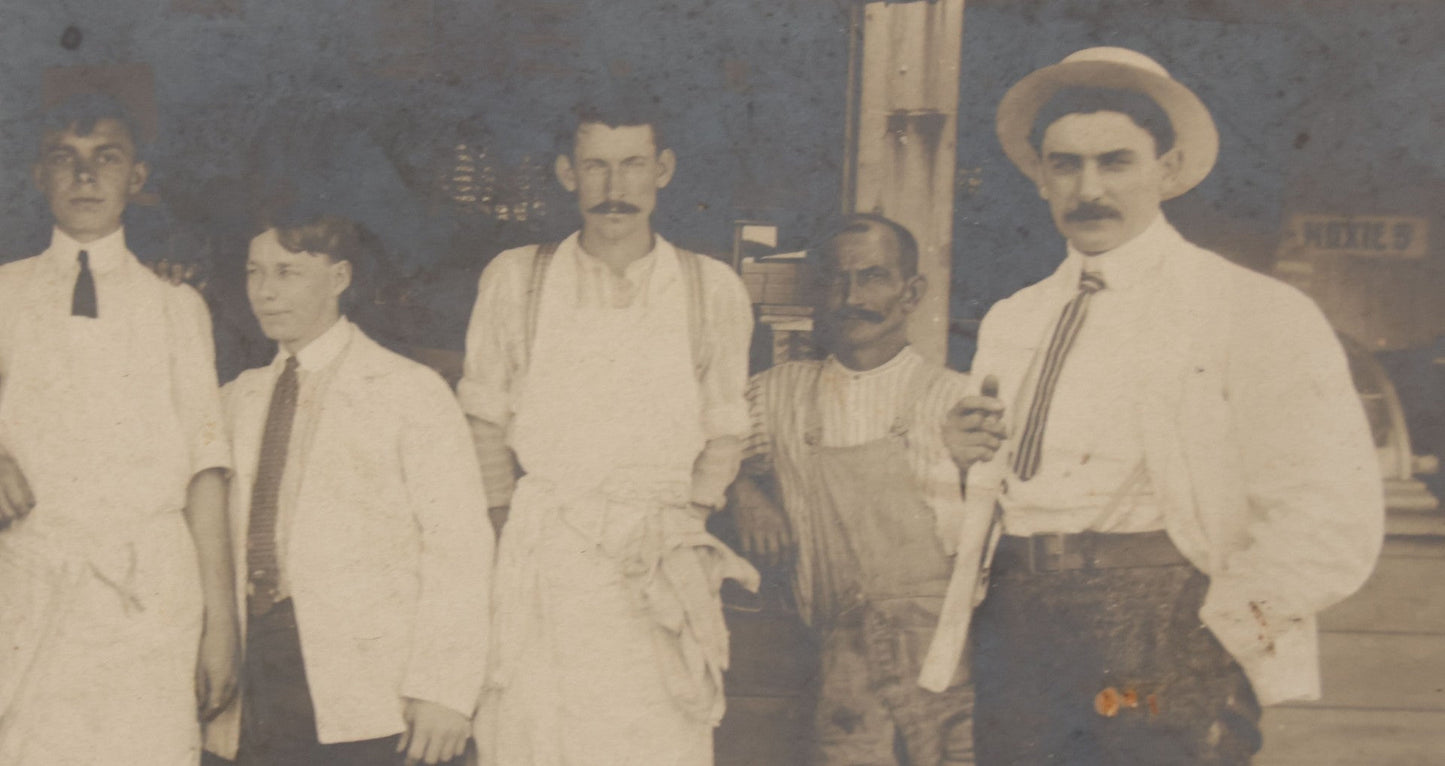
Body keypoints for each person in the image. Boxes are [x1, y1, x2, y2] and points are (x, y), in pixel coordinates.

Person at [919, 47, 1384, 764]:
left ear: (1166, 171)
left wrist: (1228, 630)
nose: (1087, 188)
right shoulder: (1016, 317)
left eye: (1115, 162)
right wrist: (959, 462)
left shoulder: (1251, 309)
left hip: (1164, 620)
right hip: (1020, 620)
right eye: (1064, 164)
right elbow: (992, 499)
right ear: (1039, 176)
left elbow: (1329, 510)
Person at [460, 99, 759, 765]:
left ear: (663, 169)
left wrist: (687, 519)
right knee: (538, 738)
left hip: (658, 561)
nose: (613, 188)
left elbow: (724, 427)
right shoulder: (519, 278)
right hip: (547, 558)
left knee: (652, 738)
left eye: (631, 166)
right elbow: (484, 422)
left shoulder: (709, 287)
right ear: (567, 173)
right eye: (595, 166)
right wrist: (514, 527)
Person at [201, 211, 493, 766]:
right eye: (254, 273)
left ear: (338, 278)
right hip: (261, 665)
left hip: (370, 677)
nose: (265, 292)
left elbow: (459, 548)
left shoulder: (409, 392)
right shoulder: (238, 398)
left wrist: (444, 690)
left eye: (287, 273)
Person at [0, 93, 238, 765]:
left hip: (149, 596)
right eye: (63, 160)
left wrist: (222, 628)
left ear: (136, 178)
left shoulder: (175, 303)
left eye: (105, 159)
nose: (84, 177)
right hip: (28, 585)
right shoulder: (4, 293)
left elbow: (205, 470)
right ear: (37, 176)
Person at [732, 214, 976, 765]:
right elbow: (701, 440)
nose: (852, 296)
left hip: (943, 663)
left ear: (911, 292)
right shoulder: (777, 395)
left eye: (873, 278)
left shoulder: (955, 399)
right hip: (840, 658)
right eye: (838, 280)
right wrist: (744, 489)